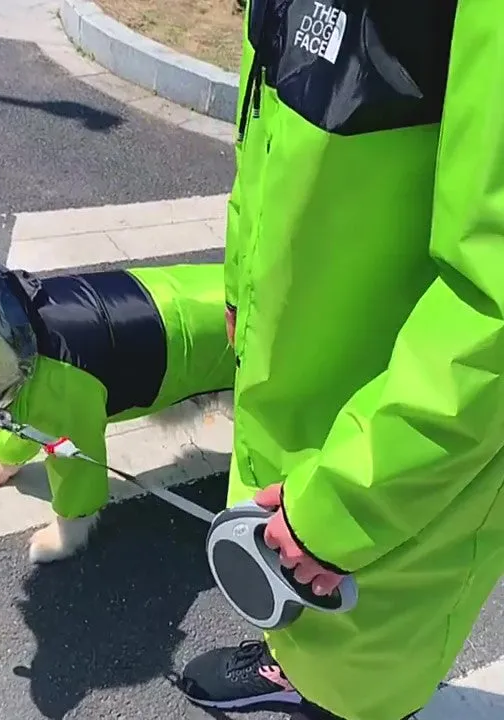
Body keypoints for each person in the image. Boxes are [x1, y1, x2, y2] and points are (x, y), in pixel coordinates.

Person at [180, 2, 504, 720]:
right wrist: (240, 274)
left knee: (370, 664)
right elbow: (265, 103)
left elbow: (495, 311)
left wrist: (347, 505)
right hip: (297, 380)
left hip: (396, 450)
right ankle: (297, 670)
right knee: (308, 610)